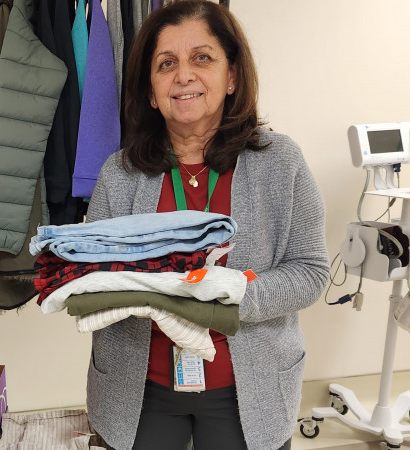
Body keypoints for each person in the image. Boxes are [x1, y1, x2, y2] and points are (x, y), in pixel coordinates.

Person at [84, 2, 329, 450]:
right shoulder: (118, 174)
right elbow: (89, 279)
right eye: (167, 64)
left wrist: (226, 294)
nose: (184, 75)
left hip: (248, 391)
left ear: (231, 76)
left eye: (202, 58)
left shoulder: (281, 162)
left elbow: (311, 272)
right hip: (138, 391)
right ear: (152, 91)